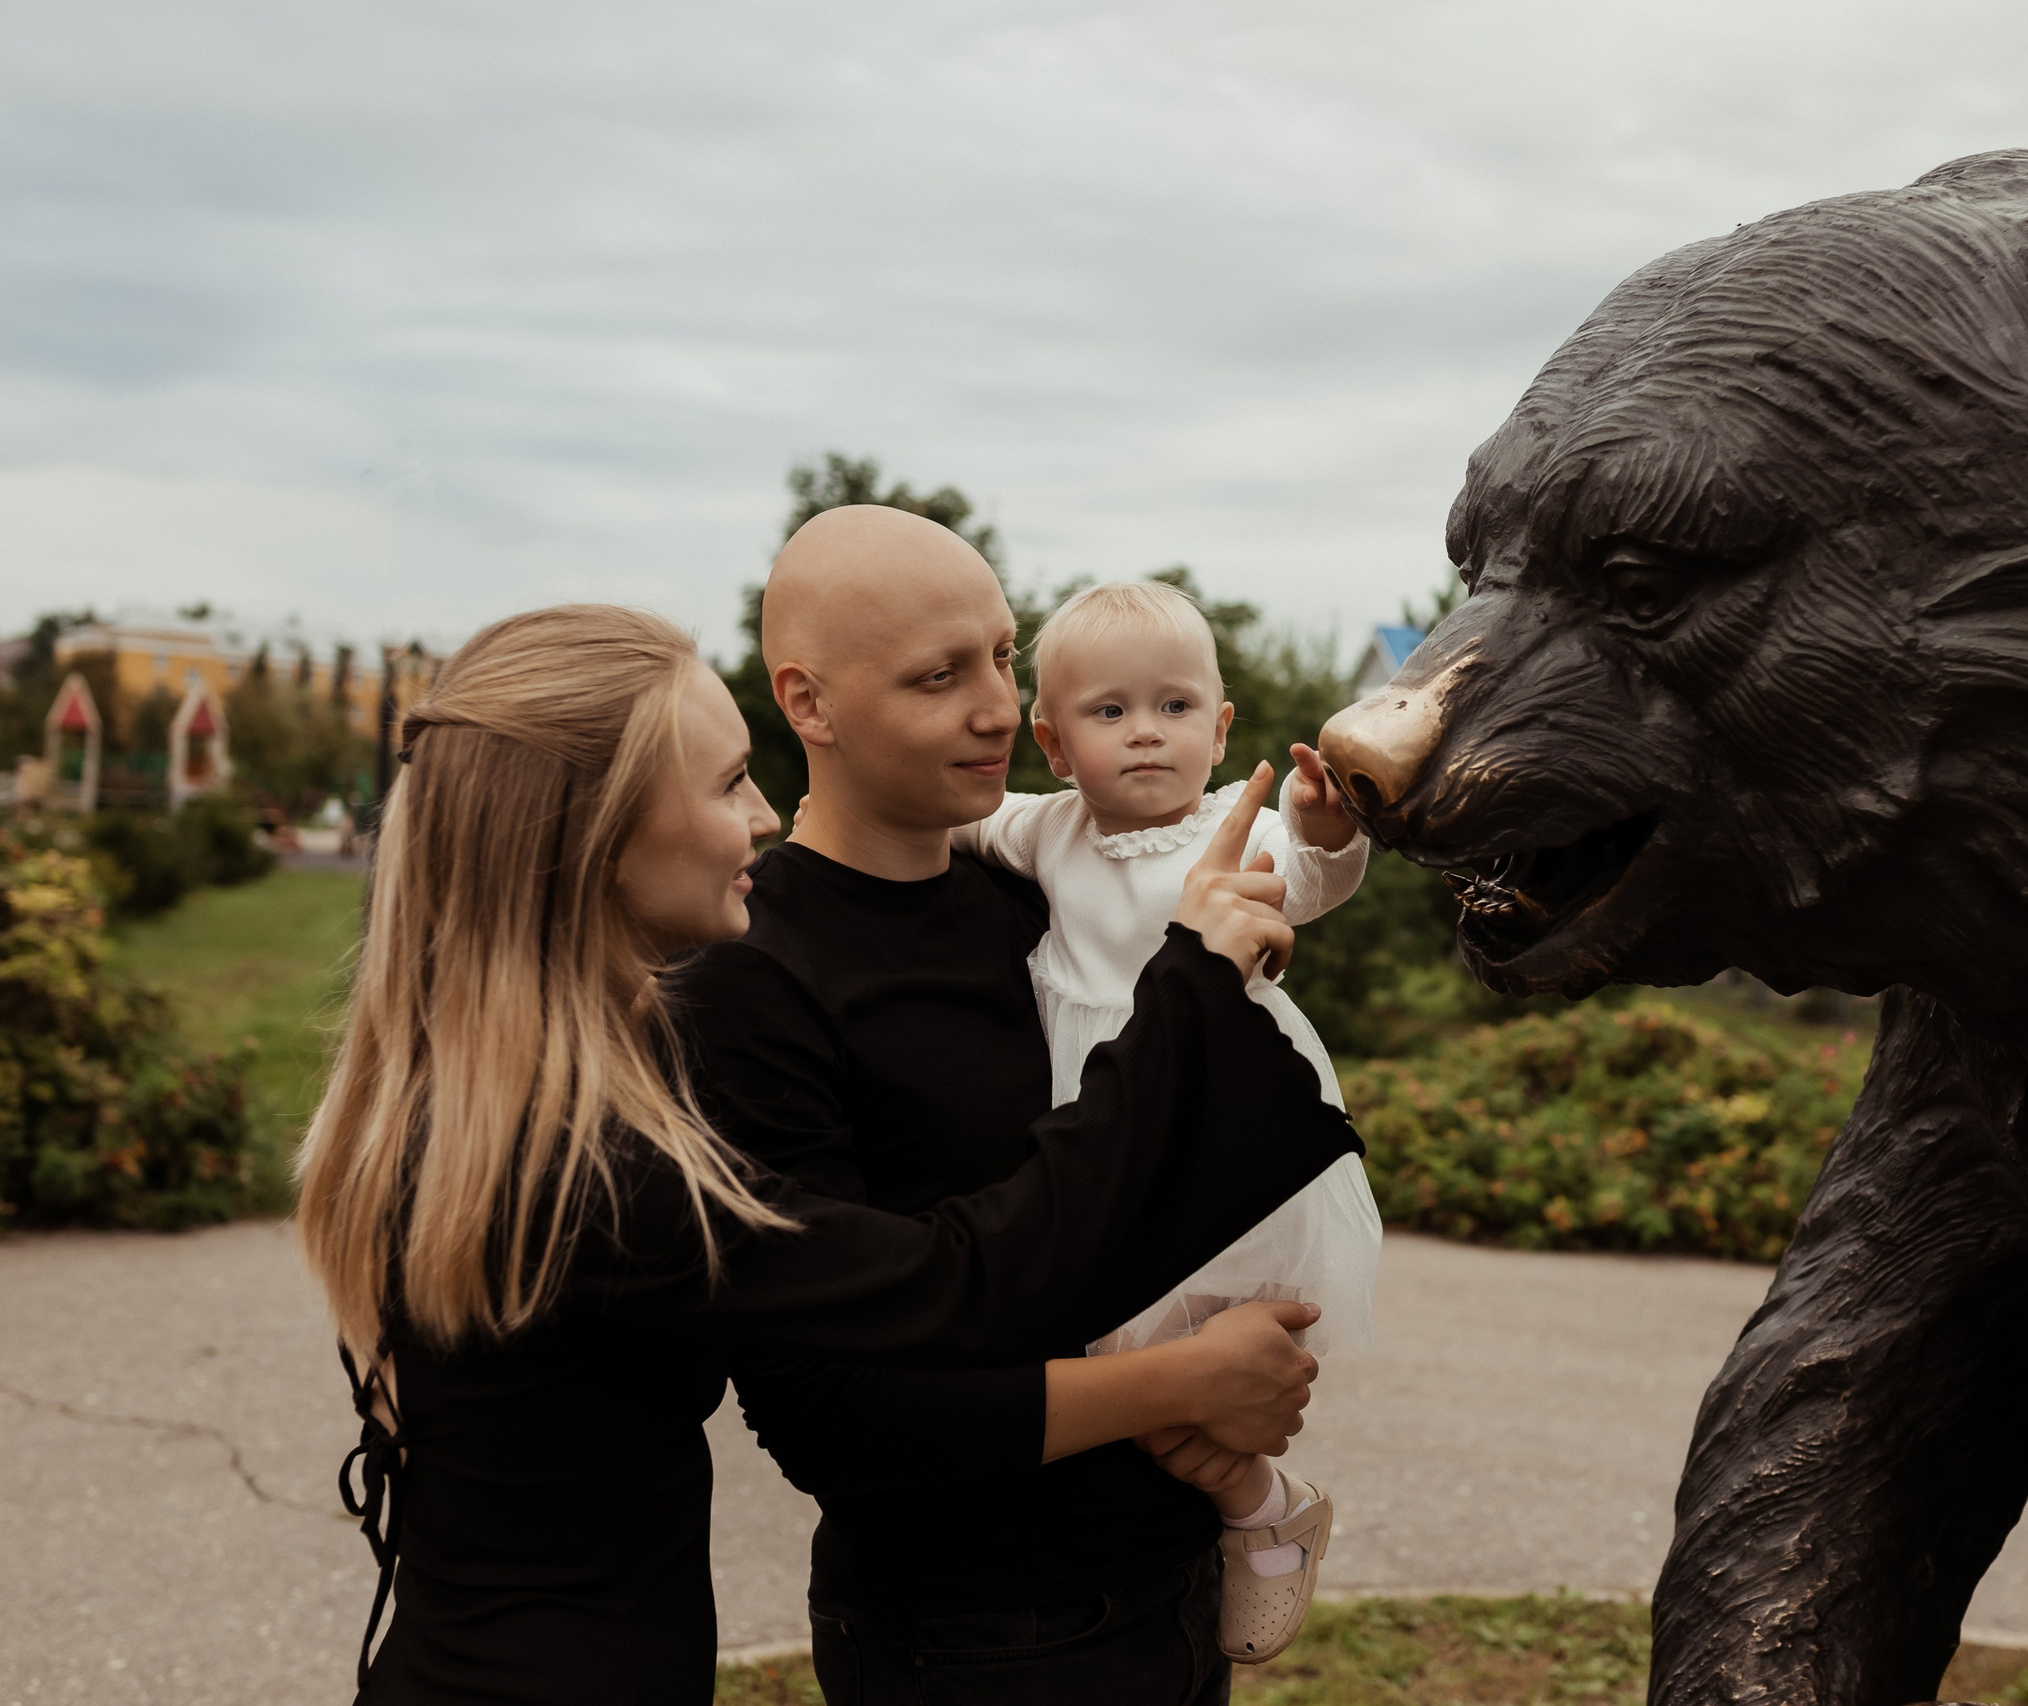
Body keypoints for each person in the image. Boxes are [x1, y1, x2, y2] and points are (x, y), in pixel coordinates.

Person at [294, 602, 1359, 1706]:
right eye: (721, 783)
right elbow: (958, 1282)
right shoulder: (583, 1170)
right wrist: (1191, 983)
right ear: (594, 838)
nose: (761, 814)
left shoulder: (472, 1105)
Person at [672, 509, 1347, 1704]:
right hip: (976, 1629)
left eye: (1001, 653)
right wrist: (1184, 1384)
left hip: (1173, 1574)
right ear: (809, 704)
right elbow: (833, 1420)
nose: (996, 708)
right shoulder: (751, 967)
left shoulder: (1034, 897)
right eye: (940, 676)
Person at [955, 575, 1384, 1663]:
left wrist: (1330, 834)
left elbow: (1310, 880)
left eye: (1175, 706)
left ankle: (1253, 1499)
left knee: (1194, 1357)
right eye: (1108, 712)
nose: (1145, 733)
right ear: (1052, 741)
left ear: (1220, 722)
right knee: (1126, 1368)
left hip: (1213, 1128)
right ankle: (1260, 1501)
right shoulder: (1046, 830)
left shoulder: (1230, 832)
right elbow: (955, 814)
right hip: (1099, 1126)